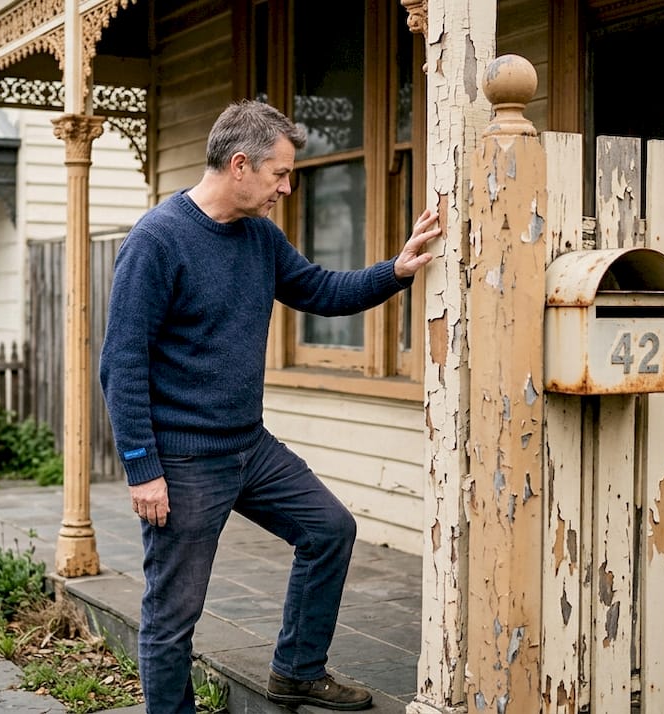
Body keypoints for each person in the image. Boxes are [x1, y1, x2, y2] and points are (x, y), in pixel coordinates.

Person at [99, 99, 441, 713]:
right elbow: (121, 365)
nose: (287, 187)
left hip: (248, 447)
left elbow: (317, 289)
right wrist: (142, 468)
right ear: (240, 165)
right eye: (280, 173)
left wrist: (396, 269)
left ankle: (298, 670)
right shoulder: (157, 240)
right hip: (183, 460)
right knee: (172, 616)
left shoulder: (259, 236)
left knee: (329, 529)